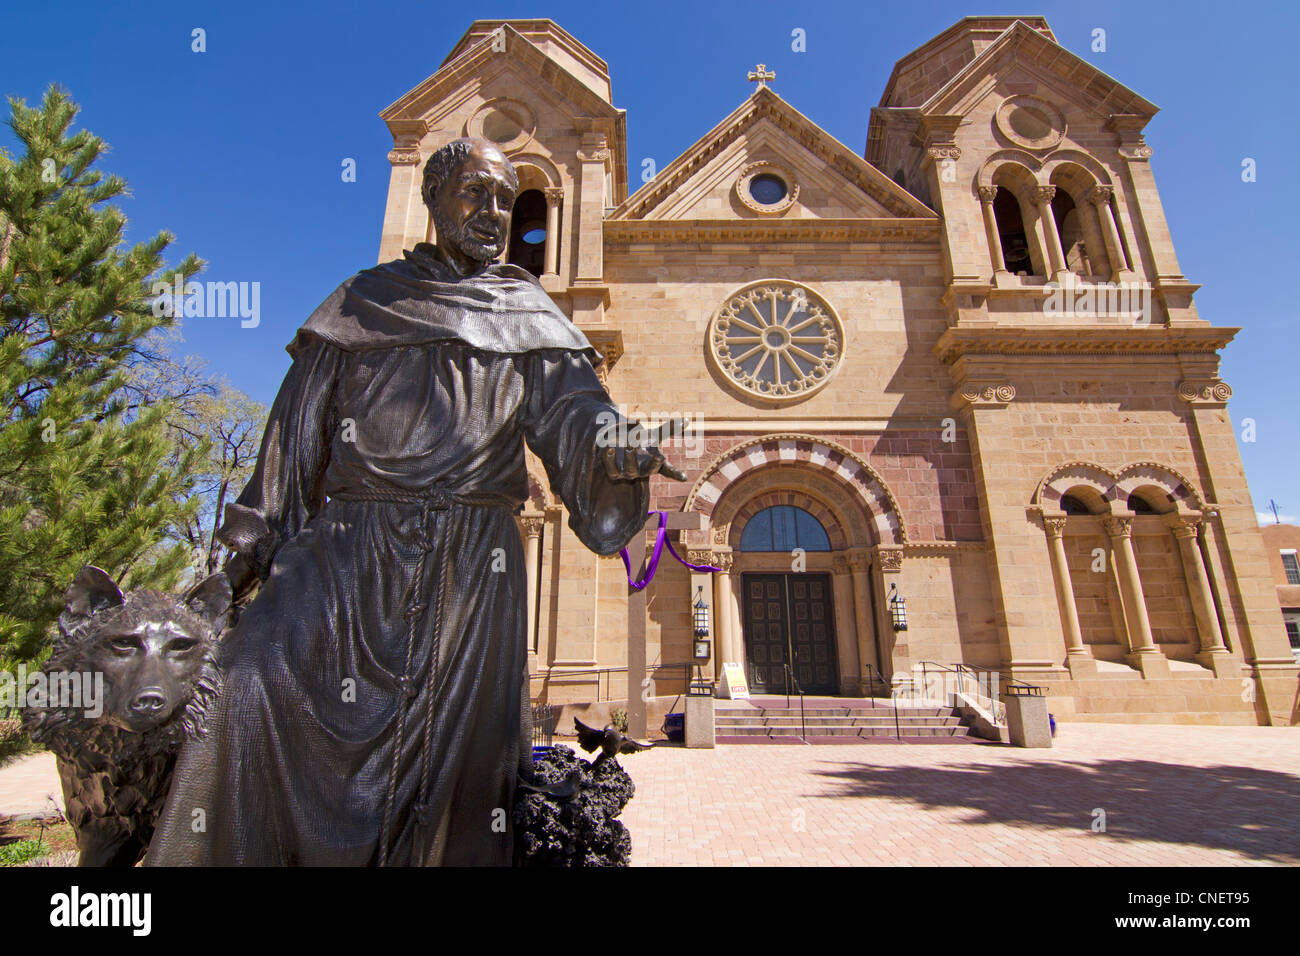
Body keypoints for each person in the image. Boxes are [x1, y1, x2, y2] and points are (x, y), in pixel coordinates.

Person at [145, 137, 681, 865]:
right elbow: (288, 455)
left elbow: (576, 414)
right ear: (433, 200)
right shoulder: (359, 305)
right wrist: (229, 571)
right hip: (346, 552)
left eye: (505, 196)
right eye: (475, 193)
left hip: (471, 566)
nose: (495, 212)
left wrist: (615, 443)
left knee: (452, 772)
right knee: (242, 685)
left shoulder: (529, 313)